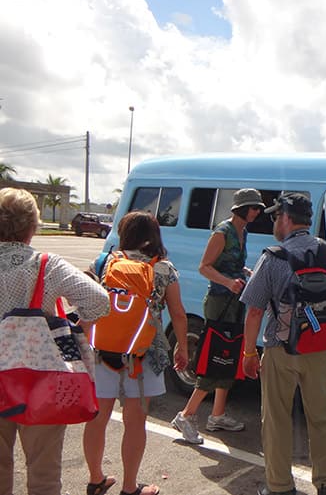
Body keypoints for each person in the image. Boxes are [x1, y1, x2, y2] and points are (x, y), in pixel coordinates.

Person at [241, 192, 326, 495]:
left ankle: (279, 487)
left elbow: (253, 310)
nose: (276, 221)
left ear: (287, 219)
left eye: (277, 216)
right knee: (322, 415)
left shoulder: (272, 256)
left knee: (276, 418)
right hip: (319, 349)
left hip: (280, 348)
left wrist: (249, 352)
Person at [0, 187, 110, 495]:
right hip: (40, 380)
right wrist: (72, 324)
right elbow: (98, 302)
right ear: (32, 227)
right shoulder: (45, 265)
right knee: (44, 474)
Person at [83, 212, 189, 495]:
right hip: (145, 353)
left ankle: (96, 479)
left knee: (98, 416)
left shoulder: (104, 262)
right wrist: (183, 348)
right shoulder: (164, 269)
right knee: (135, 420)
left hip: (102, 350)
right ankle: (130, 487)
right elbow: (178, 314)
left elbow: (85, 305)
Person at [172, 188, 265, 444]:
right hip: (219, 302)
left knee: (230, 356)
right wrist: (227, 281)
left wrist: (242, 271)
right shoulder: (222, 232)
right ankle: (186, 414)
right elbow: (204, 267)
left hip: (234, 301)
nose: (258, 211)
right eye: (254, 207)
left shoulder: (242, 231)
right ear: (242, 209)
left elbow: (228, 264)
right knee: (216, 357)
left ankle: (217, 414)